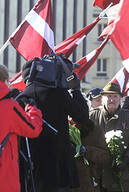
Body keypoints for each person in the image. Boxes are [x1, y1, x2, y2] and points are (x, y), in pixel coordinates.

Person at [17, 58, 89, 192]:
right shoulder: (58, 94)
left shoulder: (19, 99)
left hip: (30, 171)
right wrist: (75, 89)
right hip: (58, 169)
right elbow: (83, 117)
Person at [90, 82, 129, 192]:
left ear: (120, 99)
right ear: (102, 98)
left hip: (120, 176)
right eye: (108, 96)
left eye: (115, 96)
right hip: (96, 174)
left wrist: (127, 160)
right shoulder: (92, 116)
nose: (112, 100)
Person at [0, 64, 43, 192]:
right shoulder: (9, 107)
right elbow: (33, 129)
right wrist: (32, 108)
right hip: (5, 178)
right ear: (6, 81)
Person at [69, 119, 109, 192]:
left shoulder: (94, 129)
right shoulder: (61, 127)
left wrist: (86, 150)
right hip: (68, 182)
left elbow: (104, 155)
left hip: (88, 181)